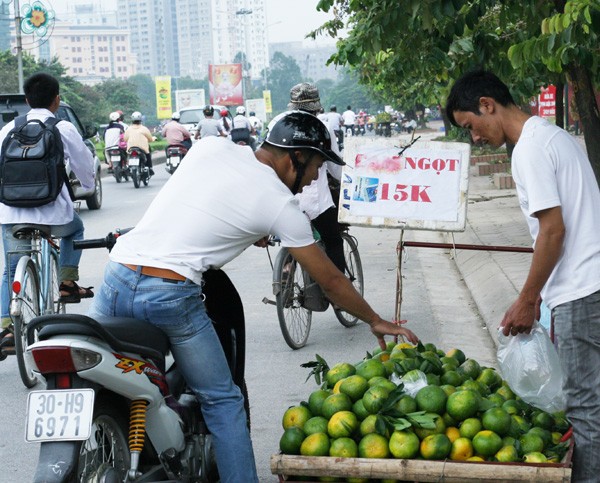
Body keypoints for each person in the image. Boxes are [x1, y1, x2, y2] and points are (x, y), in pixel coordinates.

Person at [88, 110, 419, 481]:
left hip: (117, 276)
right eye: (314, 168)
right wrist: (375, 319)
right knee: (222, 401)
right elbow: (331, 281)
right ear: (297, 157)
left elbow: (206, 196)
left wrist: (251, 224)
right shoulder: (280, 205)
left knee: (115, 378)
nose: (313, 180)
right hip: (170, 294)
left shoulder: (210, 146)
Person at [446, 69, 600, 483]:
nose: (474, 137)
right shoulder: (553, 136)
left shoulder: (529, 149)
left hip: (581, 290)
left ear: (487, 105)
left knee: (586, 411)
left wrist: (527, 299)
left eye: (470, 126)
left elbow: (553, 231)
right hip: (590, 284)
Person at [0, 73, 95, 348]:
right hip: (54, 215)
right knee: (75, 228)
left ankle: (6, 327)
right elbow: (85, 169)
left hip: (12, 214)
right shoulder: (62, 127)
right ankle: (67, 283)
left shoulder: (8, 129)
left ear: (27, 100)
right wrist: (86, 185)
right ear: (57, 99)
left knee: (10, 270)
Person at [288, 82, 345, 273]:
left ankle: (288, 265)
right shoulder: (322, 126)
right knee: (334, 241)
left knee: (289, 233)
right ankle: (340, 301)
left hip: (285, 197)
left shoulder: (279, 124)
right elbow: (336, 169)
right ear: (316, 106)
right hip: (316, 201)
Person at [124, 111, 155, 175]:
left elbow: (125, 139)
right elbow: (150, 139)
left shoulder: (128, 129)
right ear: (140, 119)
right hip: (142, 149)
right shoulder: (144, 129)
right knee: (148, 154)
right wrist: (153, 139)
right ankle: (150, 167)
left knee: (127, 155)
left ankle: (127, 166)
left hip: (131, 149)